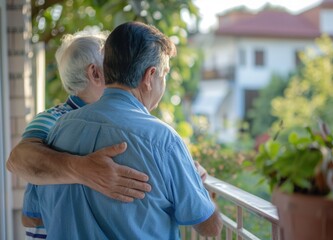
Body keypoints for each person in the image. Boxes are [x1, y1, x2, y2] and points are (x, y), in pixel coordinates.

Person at [34, 21, 223, 239]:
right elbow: (210, 227)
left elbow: (34, 212)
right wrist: (198, 187)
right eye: (164, 75)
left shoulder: (59, 129)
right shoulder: (162, 140)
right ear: (150, 76)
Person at [6, 30, 152, 239]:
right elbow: (17, 159)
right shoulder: (53, 118)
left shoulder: (116, 120)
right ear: (95, 73)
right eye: (111, 63)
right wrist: (83, 169)